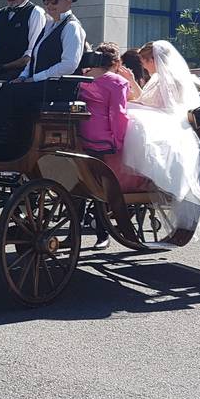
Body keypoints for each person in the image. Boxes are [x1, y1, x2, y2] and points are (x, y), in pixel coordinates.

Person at [0, 0, 87, 159]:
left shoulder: (71, 27)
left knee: (6, 92)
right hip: (42, 83)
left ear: (69, 1)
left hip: (57, 88)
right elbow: (33, 58)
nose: (49, 5)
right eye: (46, 1)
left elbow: (69, 64)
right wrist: (22, 76)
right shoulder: (50, 26)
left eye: (55, 1)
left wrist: (35, 78)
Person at [117, 40, 200, 243]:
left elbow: (161, 106)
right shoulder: (156, 78)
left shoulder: (170, 80)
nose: (144, 66)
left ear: (153, 60)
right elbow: (145, 99)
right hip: (157, 114)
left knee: (133, 119)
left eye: (145, 61)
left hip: (169, 121)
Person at [77, 42, 131, 250]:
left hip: (80, 136)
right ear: (116, 62)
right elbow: (118, 115)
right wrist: (119, 141)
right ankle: (103, 232)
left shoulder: (84, 78)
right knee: (101, 187)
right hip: (102, 140)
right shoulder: (116, 82)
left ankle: (76, 230)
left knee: (80, 184)